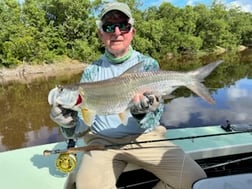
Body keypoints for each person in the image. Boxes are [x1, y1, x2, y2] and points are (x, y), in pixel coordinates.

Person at [48, 2, 206, 189]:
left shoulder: (147, 65)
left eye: (123, 25)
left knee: (196, 181)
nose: (116, 32)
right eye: (108, 27)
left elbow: (154, 119)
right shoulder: (91, 72)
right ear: (101, 34)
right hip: (101, 142)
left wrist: (142, 113)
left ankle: (191, 79)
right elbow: (83, 127)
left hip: (143, 137)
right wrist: (67, 123)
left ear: (132, 31)